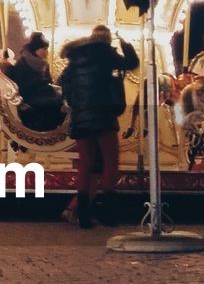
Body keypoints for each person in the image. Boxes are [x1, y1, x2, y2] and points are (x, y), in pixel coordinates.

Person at [59, 24, 138, 228]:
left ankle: (83, 215)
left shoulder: (74, 59)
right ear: (107, 40)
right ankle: (107, 211)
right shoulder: (105, 53)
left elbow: (63, 84)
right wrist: (125, 42)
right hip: (103, 115)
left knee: (86, 164)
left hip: (81, 117)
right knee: (110, 162)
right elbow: (132, 63)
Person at [11, 32, 64, 130]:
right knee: (54, 104)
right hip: (29, 97)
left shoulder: (44, 65)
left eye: (47, 49)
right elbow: (19, 86)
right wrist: (39, 83)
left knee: (62, 102)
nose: (46, 52)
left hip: (42, 94)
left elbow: (49, 81)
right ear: (35, 49)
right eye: (44, 49)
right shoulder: (22, 63)